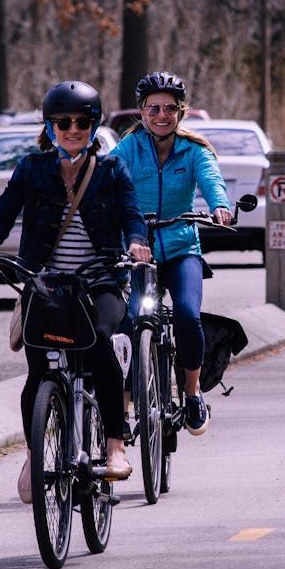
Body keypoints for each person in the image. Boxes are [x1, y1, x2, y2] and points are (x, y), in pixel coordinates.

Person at [0, 80, 151, 502]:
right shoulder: (32, 169)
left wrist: (137, 243)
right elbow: (4, 214)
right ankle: (35, 452)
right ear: (50, 127)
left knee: (100, 342)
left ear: (93, 125)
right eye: (63, 122)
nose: (72, 129)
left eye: (82, 122)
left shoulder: (110, 170)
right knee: (40, 372)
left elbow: (131, 215)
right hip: (45, 283)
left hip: (99, 278)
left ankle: (115, 448)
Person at [110, 71, 232, 437]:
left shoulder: (194, 150)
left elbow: (212, 181)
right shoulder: (128, 148)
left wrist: (220, 207)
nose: (161, 116)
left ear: (182, 112)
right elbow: (107, 179)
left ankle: (192, 394)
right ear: (142, 112)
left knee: (187, 316)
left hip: (181, 249)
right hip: (138, 251)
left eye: (169, 109)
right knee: (130, 319)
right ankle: (127, 400)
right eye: (153, 109)